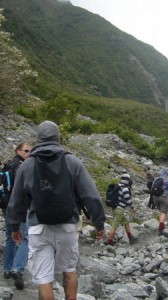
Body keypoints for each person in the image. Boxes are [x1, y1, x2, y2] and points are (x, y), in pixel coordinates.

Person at [6, 120, 106, 300]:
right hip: (67, 226)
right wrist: (99, 223)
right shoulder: (72, 161)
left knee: (44, 278)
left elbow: (17, 201)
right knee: (69, 270)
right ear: (58, 137)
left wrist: (14, 227)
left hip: (39, 227)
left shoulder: (27, 165)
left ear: (38, 138)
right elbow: (91, 196)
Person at [2, 143, 31, 290]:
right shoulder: (21, 166)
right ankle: (17, 269)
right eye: (26, 151)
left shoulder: (8, 165)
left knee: (10, 238)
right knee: (26, 238)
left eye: (30, 152)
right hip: (19, 208)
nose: (28, 154)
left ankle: (6, 269)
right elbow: (26, 187)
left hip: (6, 206)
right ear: (18, 151)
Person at [105, 173, 138, 245]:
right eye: (129, 179)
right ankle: (109, 241)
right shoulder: (125, 188)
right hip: (119, 210)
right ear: (127, 180)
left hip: (116, 208)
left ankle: (130, 237)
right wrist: (133, 207)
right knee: (115, 226)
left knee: (126, 222)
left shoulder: (118, 186)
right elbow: (127, 199)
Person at [152, 168, 168, 236]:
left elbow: (152, 188)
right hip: (164, 197)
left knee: (160, 211)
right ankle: (160, 229)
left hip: (155, 197)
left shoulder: (156, 179)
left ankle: (162, 225)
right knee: (163, 213)